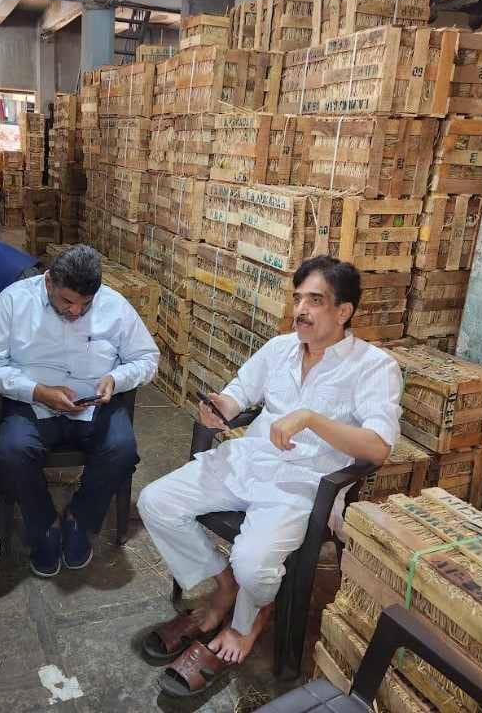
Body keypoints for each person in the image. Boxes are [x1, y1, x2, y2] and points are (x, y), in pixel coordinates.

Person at [136, 255, 402, 697]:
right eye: (298, 298)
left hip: (304, 485)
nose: (301, 310)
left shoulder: (373, 367)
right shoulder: (280, 348)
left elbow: (378, 447)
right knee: (156, 501)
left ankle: (247, 622)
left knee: (255, 563)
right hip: (249, 461)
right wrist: (220, 407)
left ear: (344, 311)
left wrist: (311, 419)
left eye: (315, 300)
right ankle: (224, 589)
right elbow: (240, 393)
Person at [0, 245, 159, 577]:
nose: (76, 312)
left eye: (85, 305)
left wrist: (116, 377)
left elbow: (147, 358)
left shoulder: (114, 305)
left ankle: (81, 521)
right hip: (33, 401)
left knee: (122, 449)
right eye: (67, 302)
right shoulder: (14, 301)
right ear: (48, 283)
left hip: (94, 403)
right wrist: (37, 391)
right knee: (12, 451)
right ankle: (43, 525)